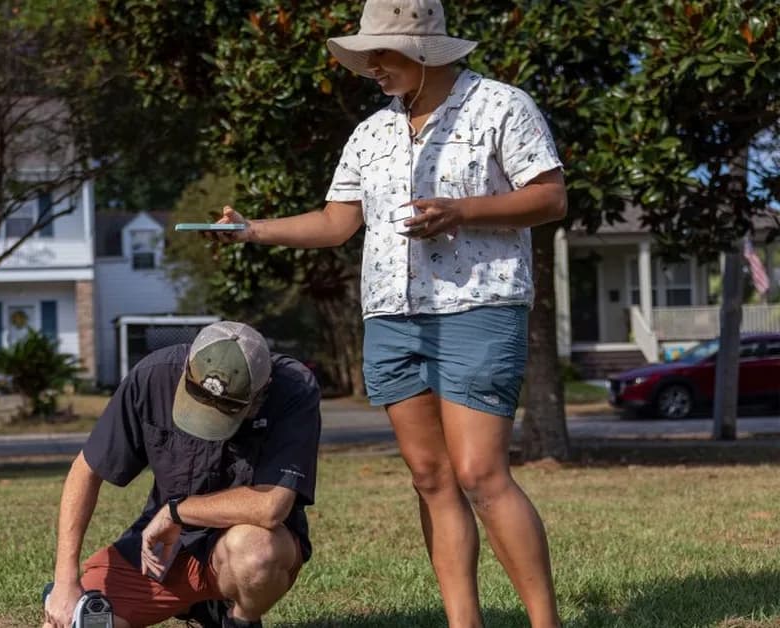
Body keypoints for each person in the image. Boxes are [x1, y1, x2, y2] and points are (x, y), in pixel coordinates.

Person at [208, 1, 566, 626]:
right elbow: (336, 222)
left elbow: (550, 197)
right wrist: (252, 230)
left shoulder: (502, 106)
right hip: (391, 319)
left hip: (476, 309)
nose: (371, 65)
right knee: (430, 478)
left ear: (424, 51)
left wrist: (461, 211)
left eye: (383, 52)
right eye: (366, 53)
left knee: (481, 474)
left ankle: (545, 622)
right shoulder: (371, 133)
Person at [42, 321, 321, 628]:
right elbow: (86, 470)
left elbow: (271, 506)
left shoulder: (293, 388)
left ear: (261, 391)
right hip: (162, 551)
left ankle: (238, 619)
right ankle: (200, 606)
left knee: (257, 553)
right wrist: (65, 581)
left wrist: (176, 511)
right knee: (78, 621)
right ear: (187, 367)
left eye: (225, 413)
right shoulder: (153, 375)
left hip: (236, 548)